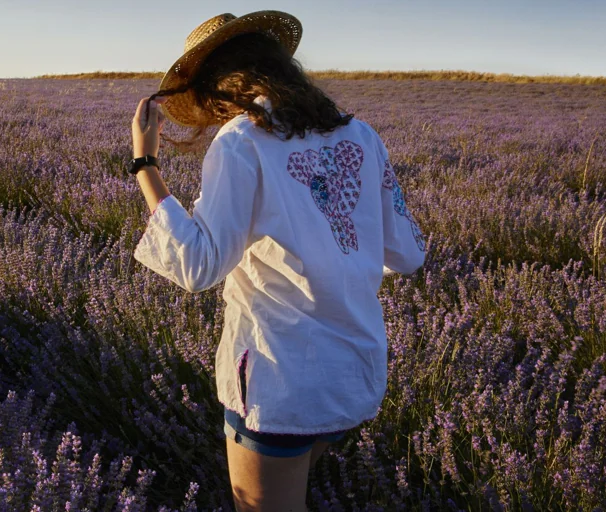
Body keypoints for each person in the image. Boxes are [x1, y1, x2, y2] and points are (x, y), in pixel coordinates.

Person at [128, 11, 427, 512]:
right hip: (352, 369)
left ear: (223, 86)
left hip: (279, 380)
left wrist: (145, 164)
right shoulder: (360, 135)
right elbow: (409, 253)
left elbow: (199, 264)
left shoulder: (242, 142)